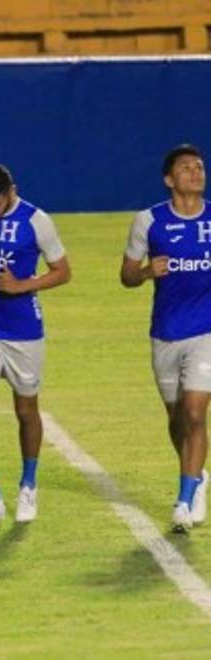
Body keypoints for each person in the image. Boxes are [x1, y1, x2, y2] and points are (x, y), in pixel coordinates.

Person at [0, 165, 70, 530]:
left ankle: (29, 485)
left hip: (23, 329)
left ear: (12, 191)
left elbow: (62, 271)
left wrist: (22, 285)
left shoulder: (38, 221)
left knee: (25, 411)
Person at [122, 144, 211, 533]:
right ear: (169, 179)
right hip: (166, 334)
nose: (196, 172)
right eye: (186, 168)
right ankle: (198, 474)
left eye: (200, 167)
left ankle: (184, 499)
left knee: (195, 412)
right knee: (177, 420)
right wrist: (145, 273)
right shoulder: (149, 221)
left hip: (206, 333)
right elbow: (126, 275)